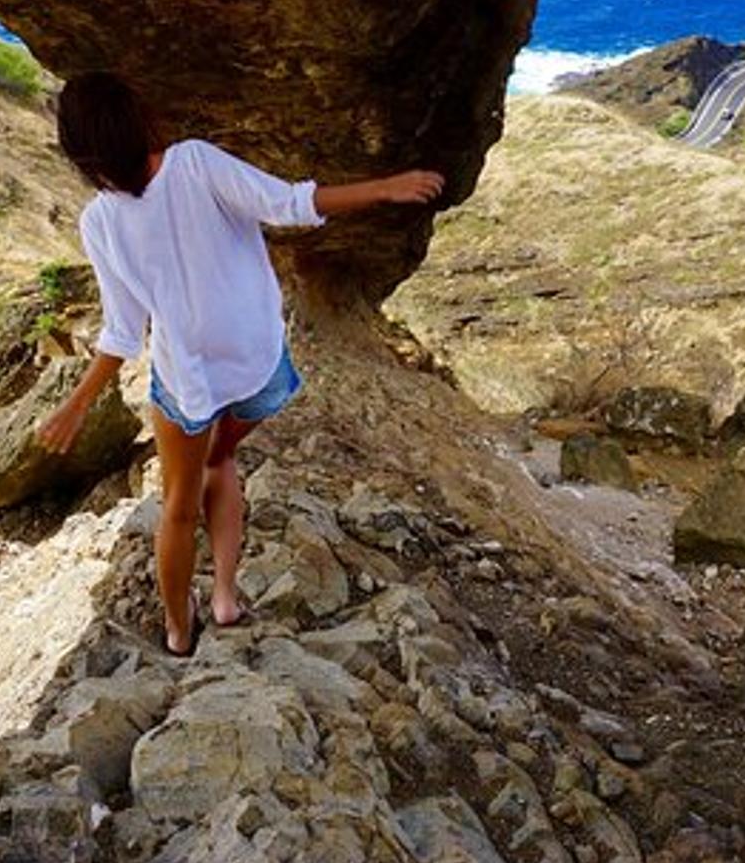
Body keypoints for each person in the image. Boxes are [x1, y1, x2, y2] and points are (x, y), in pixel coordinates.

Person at [34, 71, 444, 657]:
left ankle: (179, 631)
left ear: (80, 151)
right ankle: (224, 595)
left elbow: (123, 330)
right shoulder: (195, 163)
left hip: (190, 378)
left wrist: (76, 405)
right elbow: (289, 203)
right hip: (256, 363)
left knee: (178, 504)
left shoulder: (100, 222)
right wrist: (386, 187)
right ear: (135, 116)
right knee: (221, 460)